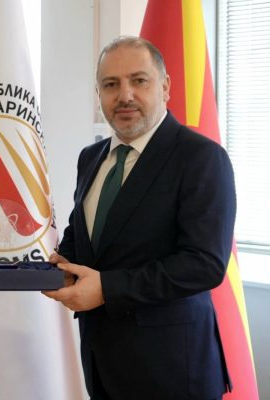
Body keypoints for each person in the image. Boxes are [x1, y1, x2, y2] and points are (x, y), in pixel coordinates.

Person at [43, 36, 235, 400]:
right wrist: (57, 266)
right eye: (110, 84)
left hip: (173, 372)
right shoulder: (91, 157)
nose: (124, 95)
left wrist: (106, 288)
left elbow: (204, 264)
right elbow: (83, 234)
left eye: (139, 80)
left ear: (165, 87)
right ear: (98, 94)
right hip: (101, 363)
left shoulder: (200, 158)